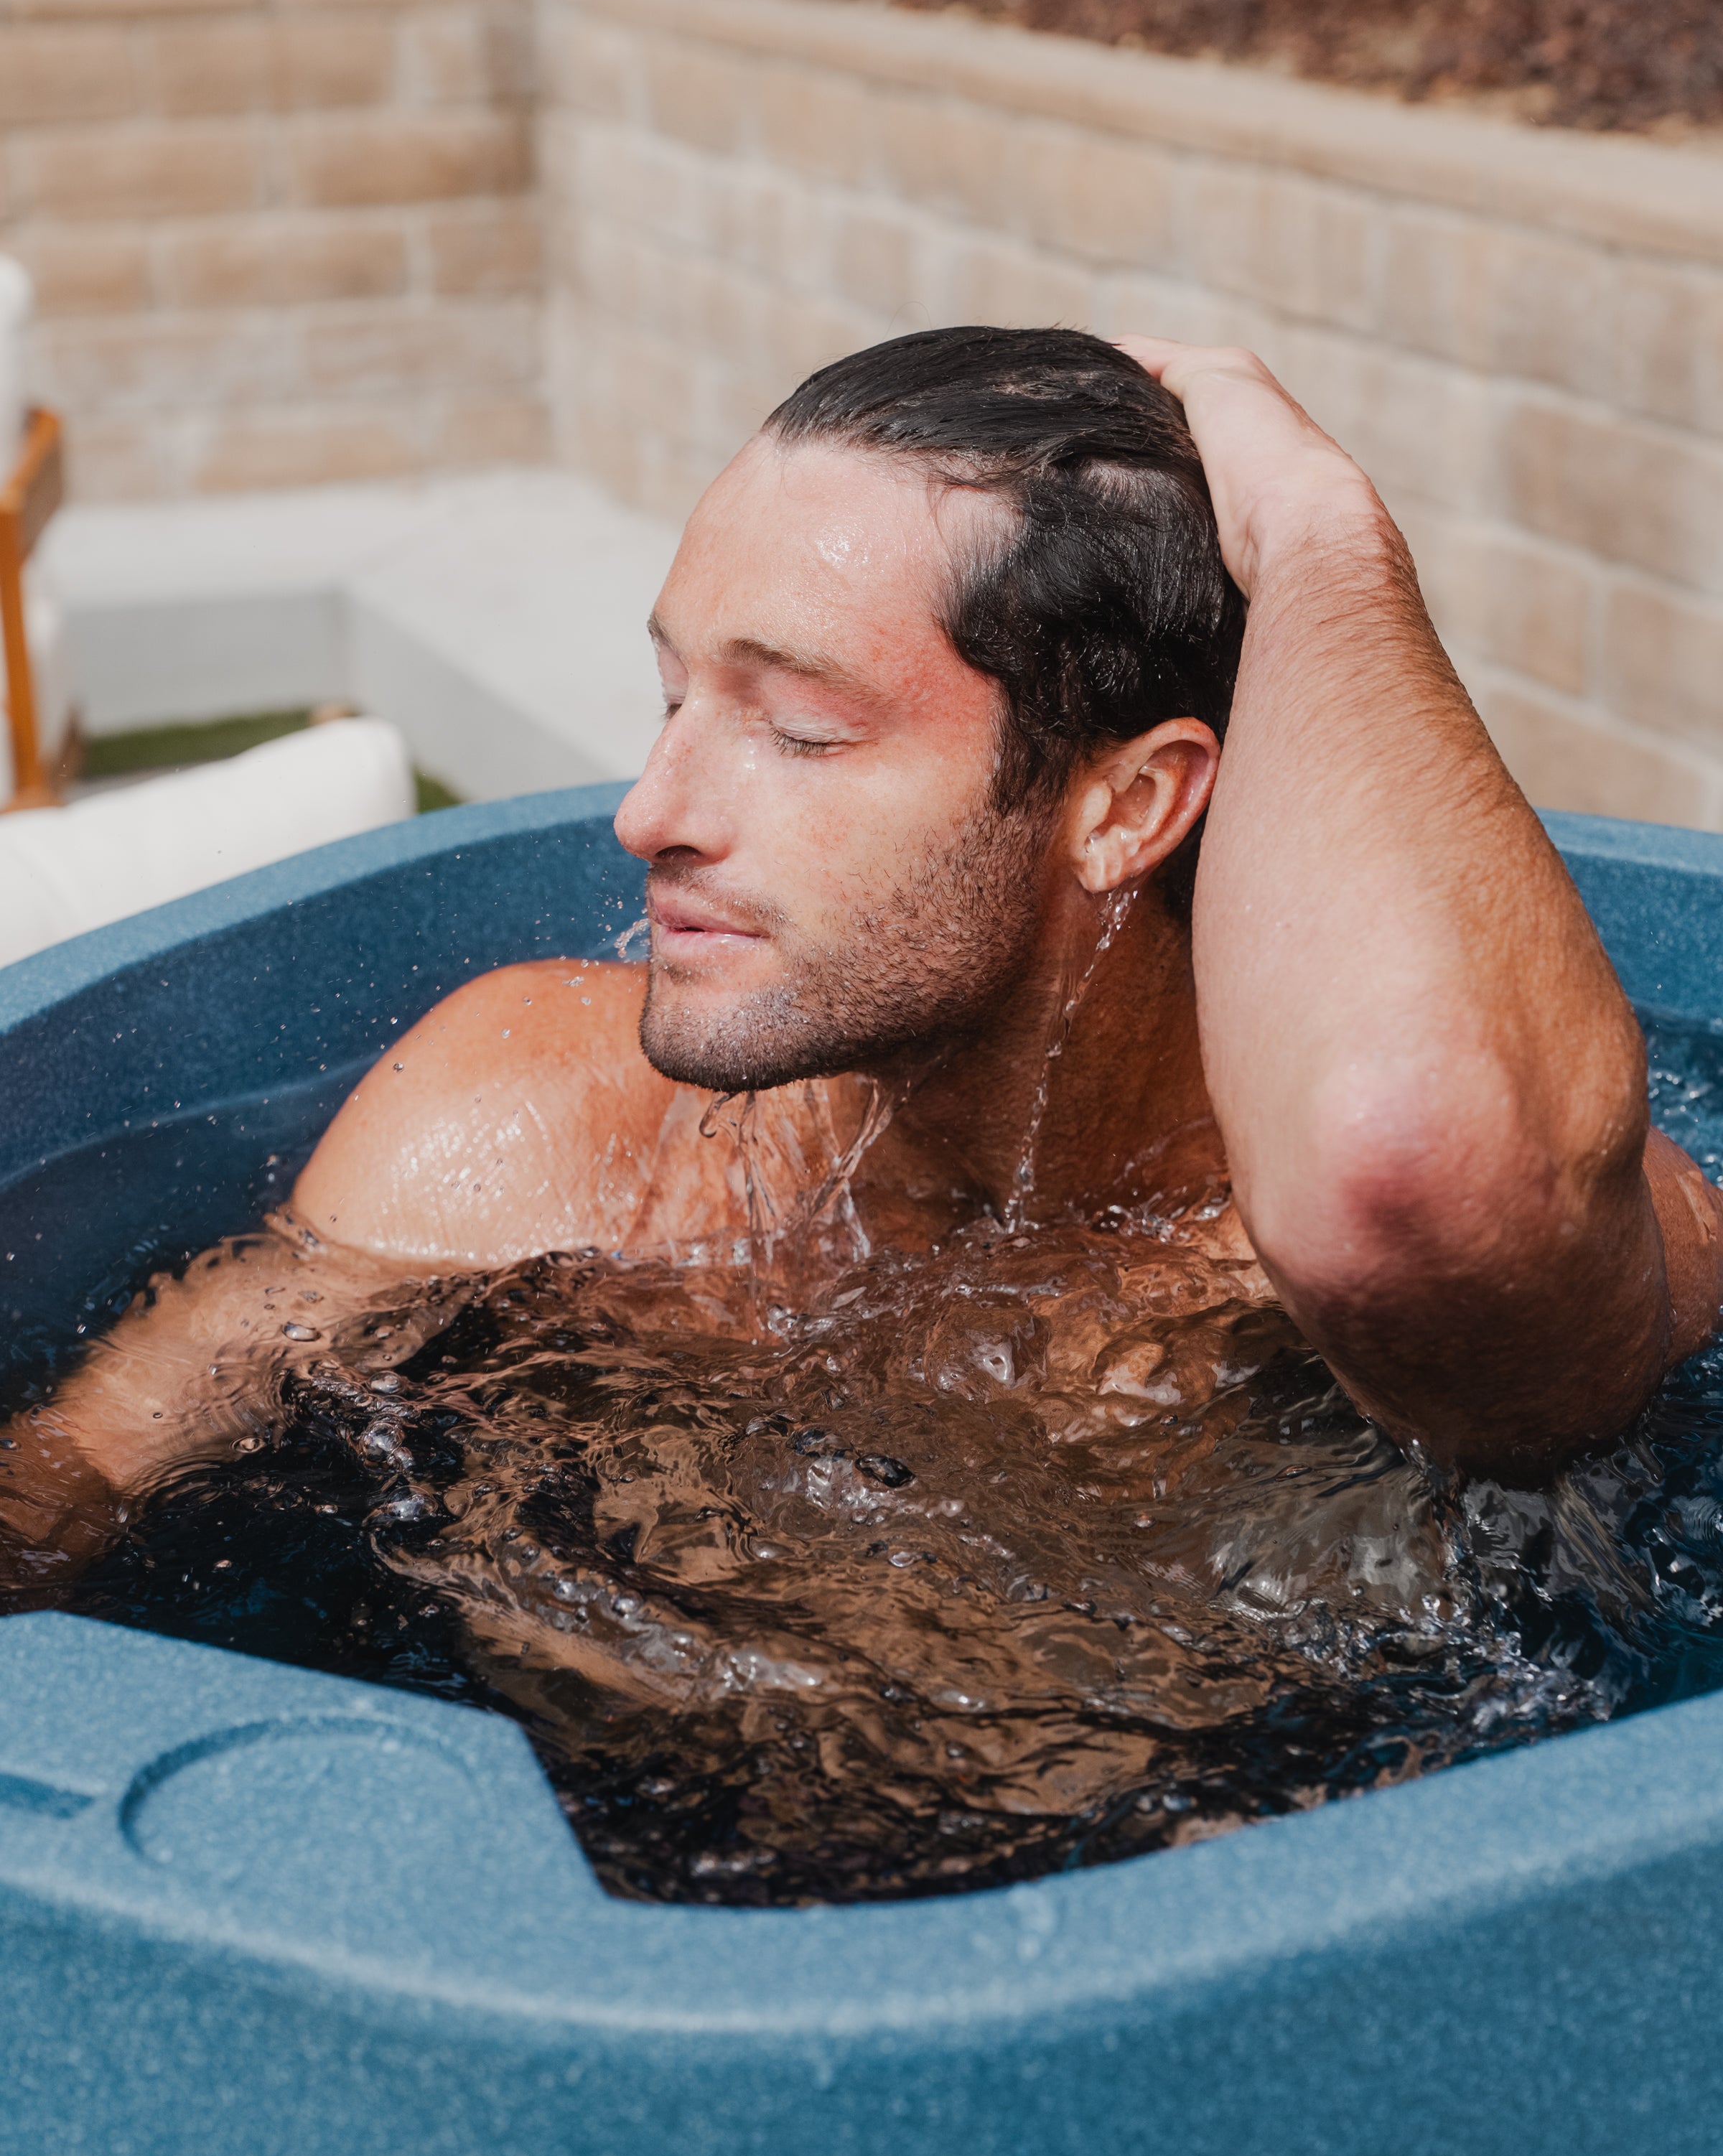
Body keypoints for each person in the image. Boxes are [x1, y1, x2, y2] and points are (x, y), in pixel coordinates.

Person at [4, 325, 1720, 1590]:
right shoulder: (534, 1116)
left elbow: (1417, 1171)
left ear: (1126, 809)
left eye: (802, 731)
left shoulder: (1339, 1265)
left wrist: (1332, 547)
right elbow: (79, 1462)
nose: (649, 811)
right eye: (677, 694)